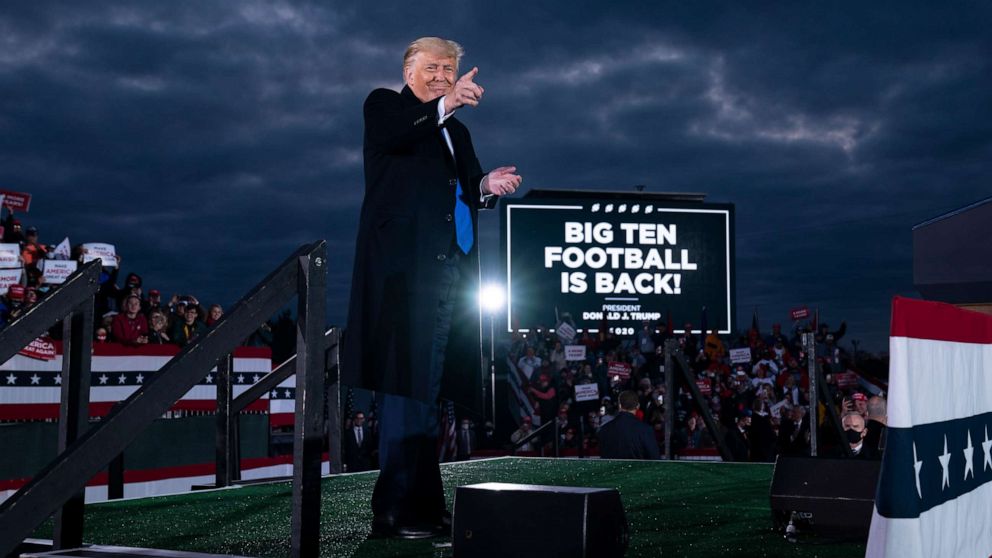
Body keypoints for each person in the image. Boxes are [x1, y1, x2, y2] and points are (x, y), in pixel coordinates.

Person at [340, 36, 521, 540]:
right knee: (404, 392)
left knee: (430, 396)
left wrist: (487, 186)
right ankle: (393, 511)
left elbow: (464, 186)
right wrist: (443, 105)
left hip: (450, 276)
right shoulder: (385, 106)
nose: (444, 74)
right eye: (435, 67)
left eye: (451, 68)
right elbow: (400, 135)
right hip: (405, 278)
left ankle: (424, 505)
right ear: (409, 69)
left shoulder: (456, 133)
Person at [597, 391, 660, 460]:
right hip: (638, 470)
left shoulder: (604, 429)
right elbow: (654, 458)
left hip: (613, 470)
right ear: (638, 406)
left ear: (619, 406)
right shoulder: (645, 430)